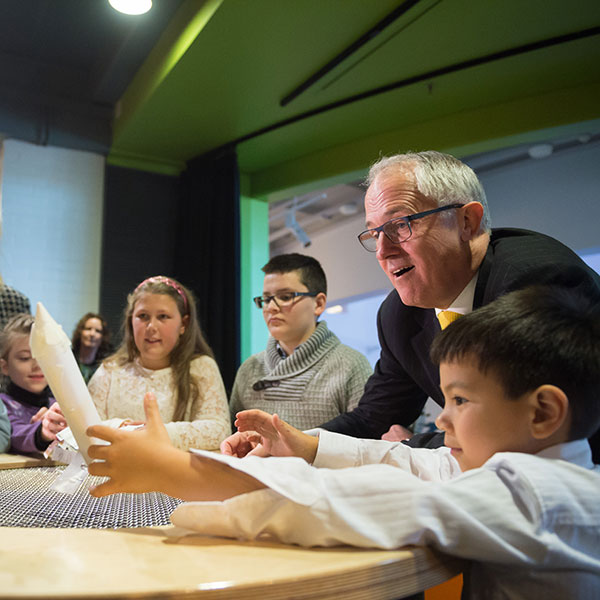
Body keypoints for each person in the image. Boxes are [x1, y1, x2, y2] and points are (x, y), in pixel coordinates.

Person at [86, 284, 600, 599]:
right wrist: (308, 447)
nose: (442, 419)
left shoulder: (537, 494)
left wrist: (177, 473)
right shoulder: (521, 472)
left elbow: (373, 502)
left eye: (461, 401)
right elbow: (405, 462)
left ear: (543, 412)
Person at [308, 150, 600, 459]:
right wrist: (296, 442)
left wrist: (413, 447)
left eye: (400, 225)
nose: (382, 251)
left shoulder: (538, 282)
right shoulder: (398, 315)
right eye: (375, 233)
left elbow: (525, 431)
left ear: (467, 221)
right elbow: (374, 418)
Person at [229, 253, 372, 430]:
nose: (271, 307)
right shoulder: (250, 369)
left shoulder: (351, 365)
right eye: (266, 299)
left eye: (285, 297)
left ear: (318, 304)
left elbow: (366, 440)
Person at [88, 276, 231, 451]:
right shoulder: (109, 371)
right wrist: (126, 428)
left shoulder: (201, 368)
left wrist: (157, 433)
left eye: (163, 317)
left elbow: (219, 430)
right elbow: (86, 427)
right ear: (131, 321)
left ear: (183, 324)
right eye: (143, 316)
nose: (151, 327)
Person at [0, 314, 66, 453]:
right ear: (4, 366)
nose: (37, 365)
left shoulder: (57, 404)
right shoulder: (4, 405)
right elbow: (14, 434)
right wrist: (42, 431)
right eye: (25, 358)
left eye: (43, 357)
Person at [71, 312, 112, 384]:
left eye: (97, 331)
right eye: (88, 329)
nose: (92, 334)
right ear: (80, 332)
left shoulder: (106, 366)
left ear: (103, 337)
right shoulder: (69, 358)